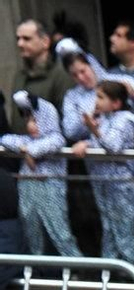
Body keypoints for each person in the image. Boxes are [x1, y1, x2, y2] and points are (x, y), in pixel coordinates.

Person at [67, 80, 134, 262]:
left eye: (101, 97)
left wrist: (94, 131)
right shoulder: (104, 119)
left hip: (123, 187)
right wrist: (88, 141)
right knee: (110, 229)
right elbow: (102, 144)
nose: (96, 101)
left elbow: (113, 146)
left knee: (127, 231)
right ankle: (111, 276)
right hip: (105, 185)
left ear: (116, 103)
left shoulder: (124, 120)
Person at [2, 92, 81, 256]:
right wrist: (25, 150)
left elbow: (46, 146)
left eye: (35, 120)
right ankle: (35, 268)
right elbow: (5, 139)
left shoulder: (56, 138)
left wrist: (29, 152)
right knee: (30, 229)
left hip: (49, 190)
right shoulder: (27, 140)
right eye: (28, 120)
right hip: (28, 188)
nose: (30, 125)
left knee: (60, 231)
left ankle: (78, 266)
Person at [11, 18, 72, 125]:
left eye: (26, 39)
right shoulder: (20, 76)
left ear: (45, 42)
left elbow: (67, 120)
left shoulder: (60, 74)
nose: (20, 44)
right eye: (18, 38)